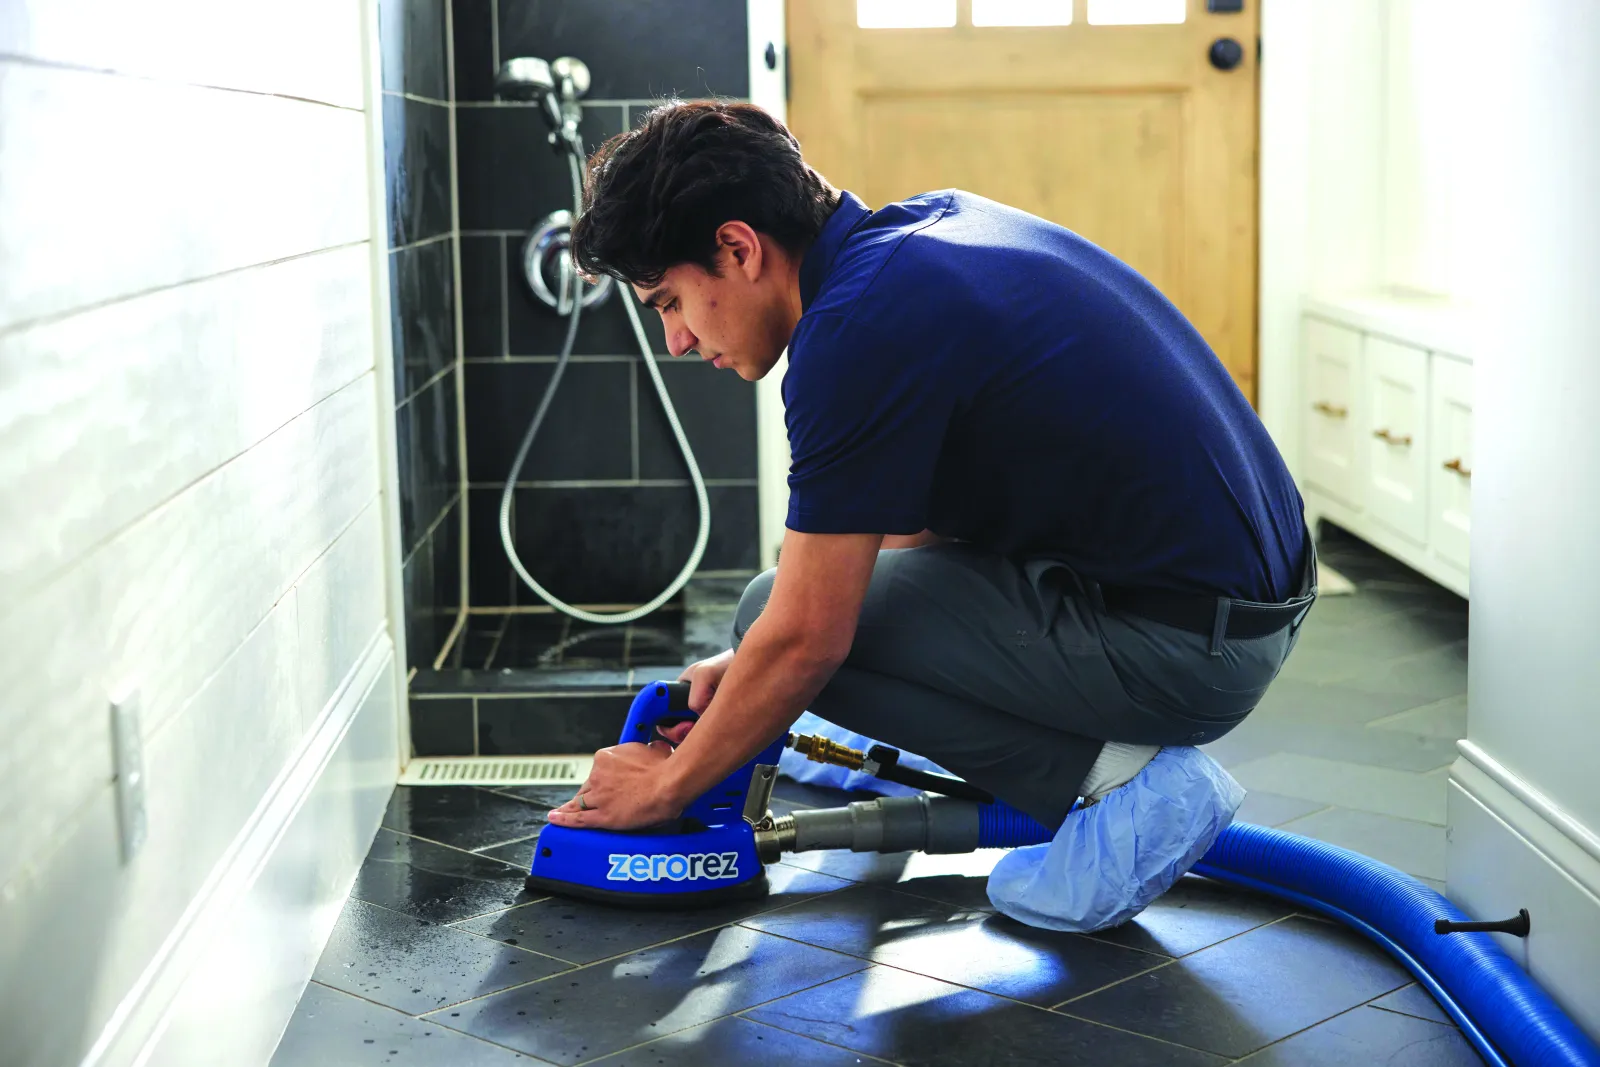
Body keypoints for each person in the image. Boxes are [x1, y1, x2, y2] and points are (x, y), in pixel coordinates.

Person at [546, 100, 1316, 929]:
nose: (679, 343)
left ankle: (1122, 780)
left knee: (776, 621)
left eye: (668, 303)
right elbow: (904, 539)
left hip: (1187, 651)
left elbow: (811, 632)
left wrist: (668, 784)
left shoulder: (853, 334)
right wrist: (755, 672)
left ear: (737, 248)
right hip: (1233, 607)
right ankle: (1066, 754)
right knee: (773, 637)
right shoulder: (920, 238)